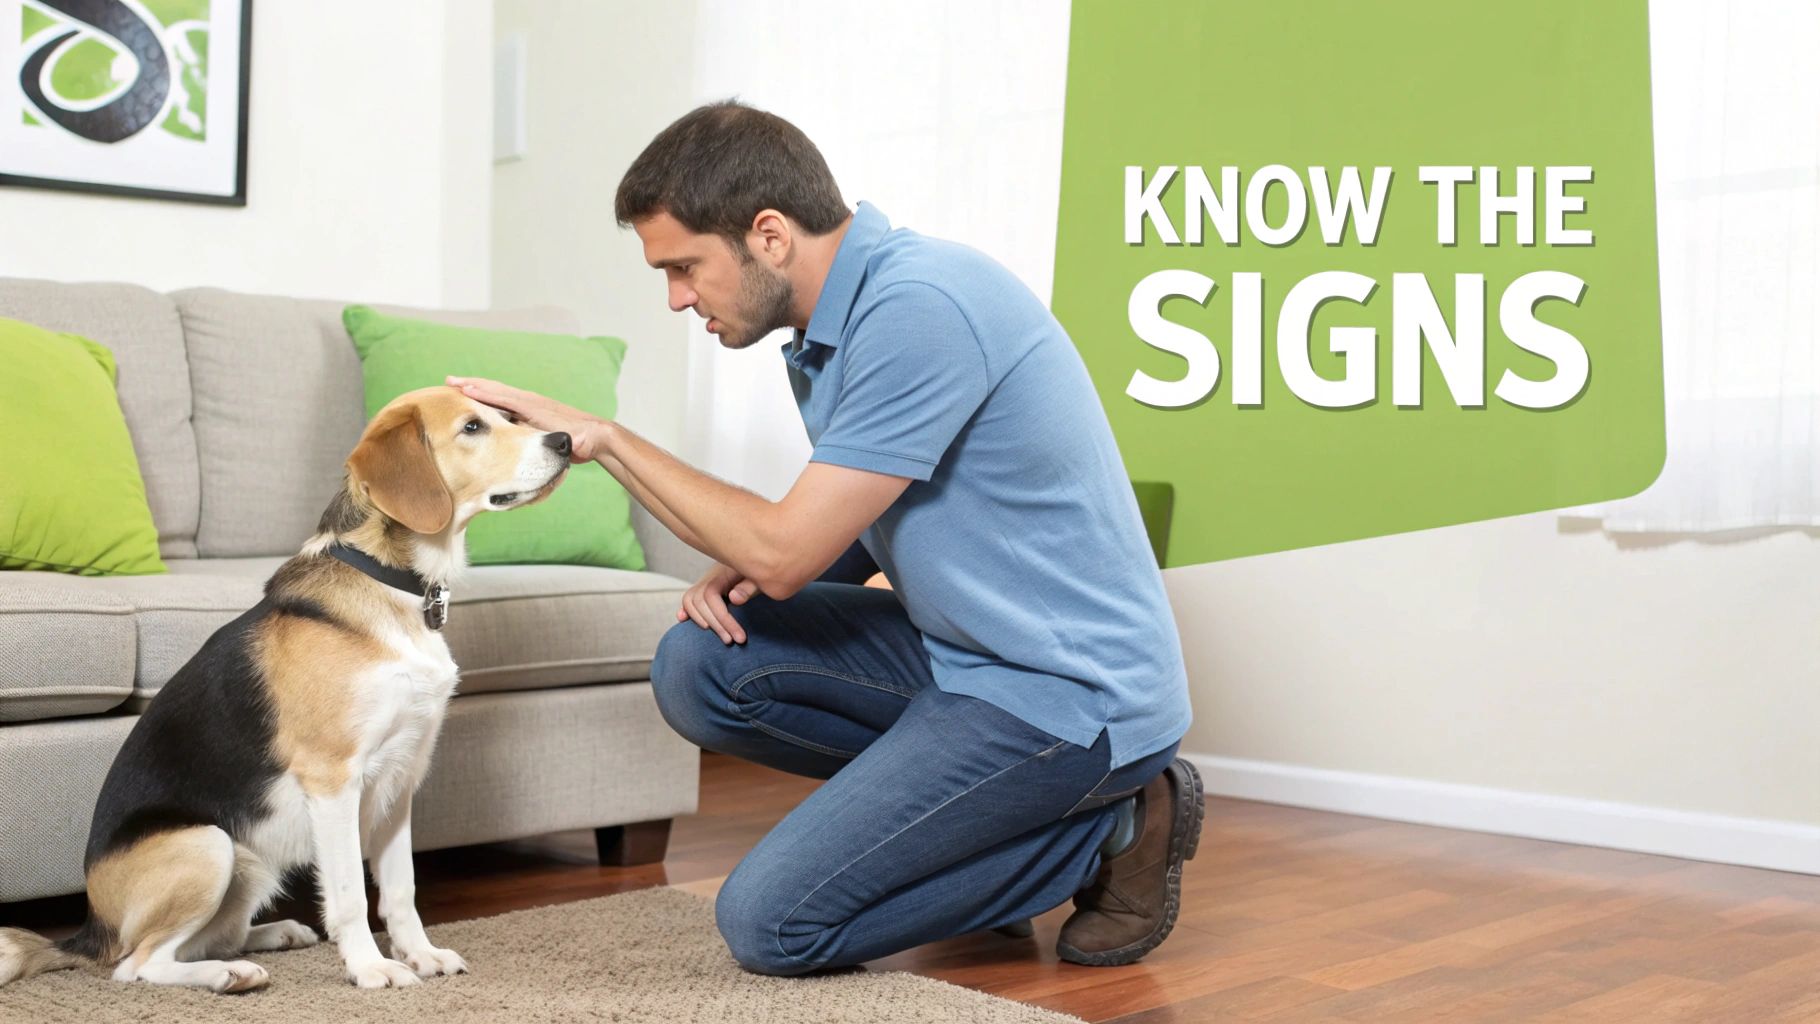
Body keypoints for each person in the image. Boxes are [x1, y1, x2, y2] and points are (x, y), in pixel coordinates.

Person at [448, 101, 1198, 975]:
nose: (677, 298)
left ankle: (1117, 823)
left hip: (1069, 694)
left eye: (685, 267)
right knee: (700, 665)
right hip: (963, 657)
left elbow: (786, 551)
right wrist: (758, 562)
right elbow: (872, 515)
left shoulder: (921, 308)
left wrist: (609, 438)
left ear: (768, 235)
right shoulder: (830, 330)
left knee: (773, 925)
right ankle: (979, 829)